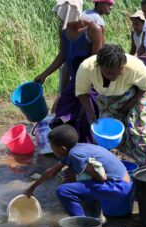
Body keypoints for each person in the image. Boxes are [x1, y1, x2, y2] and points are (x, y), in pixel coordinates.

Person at [25, 124, 132, 220]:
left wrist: (76, 178)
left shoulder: (75, 154)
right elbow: (50, 172)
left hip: (119, 187)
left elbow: (100, 177)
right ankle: (95, 217)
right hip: (122, 185)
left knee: (64, 190)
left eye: (52, 147)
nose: (52, 150)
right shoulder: (74, 150)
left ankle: (81, 224)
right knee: (74, 181)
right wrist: (32, 188)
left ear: (62, 148)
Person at [34, 0, 103, 143]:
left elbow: (94, 62)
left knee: (88, 113)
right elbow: (63, 54)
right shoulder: (63, 29)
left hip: (90, 79)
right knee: (63, 108)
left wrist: (80, 86)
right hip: (74, 78)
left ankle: (88, 147)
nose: (62, 19)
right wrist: (45, 74)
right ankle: (67, 142)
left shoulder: (93, 29)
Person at [76, 44, 146, 166]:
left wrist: (129, 105)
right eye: (109, 73)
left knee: (138, 132)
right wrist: (91, 113)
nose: (114, 76)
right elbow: (82, 92)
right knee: (108, 134)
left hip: (138, 93)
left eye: (119, 72)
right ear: (99, 66)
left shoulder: (135, 67)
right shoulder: (87, 67)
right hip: (109, 96)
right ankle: (117, 165)